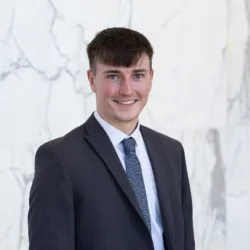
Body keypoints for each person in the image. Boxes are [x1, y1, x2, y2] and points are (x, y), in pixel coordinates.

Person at [28, 27, 195, 250]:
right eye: (114, 76)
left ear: (151, 78)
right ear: (92, 80)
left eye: (137, 75)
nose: (126, 90)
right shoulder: (60, 159)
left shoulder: (172, 152)